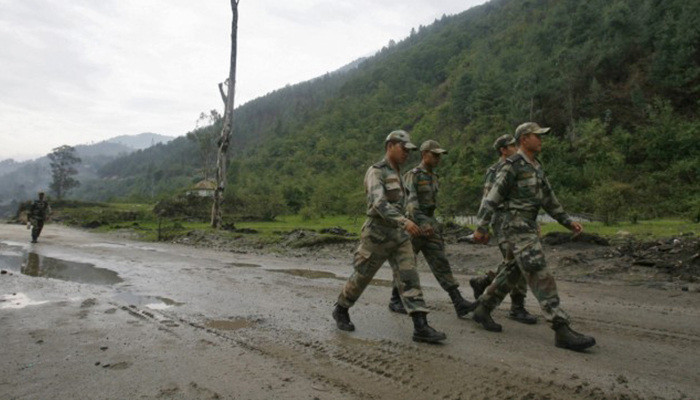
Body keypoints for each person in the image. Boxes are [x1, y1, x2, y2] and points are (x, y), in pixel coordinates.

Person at [471, 122, 596, 352]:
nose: (541, 139)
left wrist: (567, 221)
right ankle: (561, 328)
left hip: (527, 226)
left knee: (512, 270)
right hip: (515, 228)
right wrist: (482, 227)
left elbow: (549, 199)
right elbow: (492, 199)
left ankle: (483, 308)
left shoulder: (536, 167)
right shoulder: (512, 166)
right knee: (540, 272)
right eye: (537, 136)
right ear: (524, 139)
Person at [333, 130, 447, 344]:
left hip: (399, 236)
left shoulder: (400, 173)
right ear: (390, 146)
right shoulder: (376, 172)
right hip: (377, 234)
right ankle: (341, 308)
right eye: (403, 149)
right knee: (362, 276)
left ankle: (420, 326)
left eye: (409, 150)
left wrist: (407, 223)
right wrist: (404, 221)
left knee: (409, 275)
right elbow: (379, 203)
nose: (406, 153)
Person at [387, 140, 474, 318]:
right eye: (435, 155)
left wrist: (430, 224)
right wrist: (422, 223)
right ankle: (395, 300)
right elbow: (411, 203)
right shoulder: (414, 175)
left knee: (440, 261)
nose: (438, 158)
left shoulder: (434, 176)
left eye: (439, 155)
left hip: (429, 225)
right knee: (406, 265)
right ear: (424, 154)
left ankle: (458, 302)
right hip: (413, 226)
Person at [469, 134, 537, 325]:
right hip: (502, 221)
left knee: (513, 262)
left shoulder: (521, 166)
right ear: (503, 150)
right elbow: (488, 198)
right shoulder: (495, 170)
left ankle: (484, 281)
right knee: (519, 261)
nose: (517, 148)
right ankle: (517, 307)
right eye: (512, 145)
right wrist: (483, 226)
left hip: (520, 222)